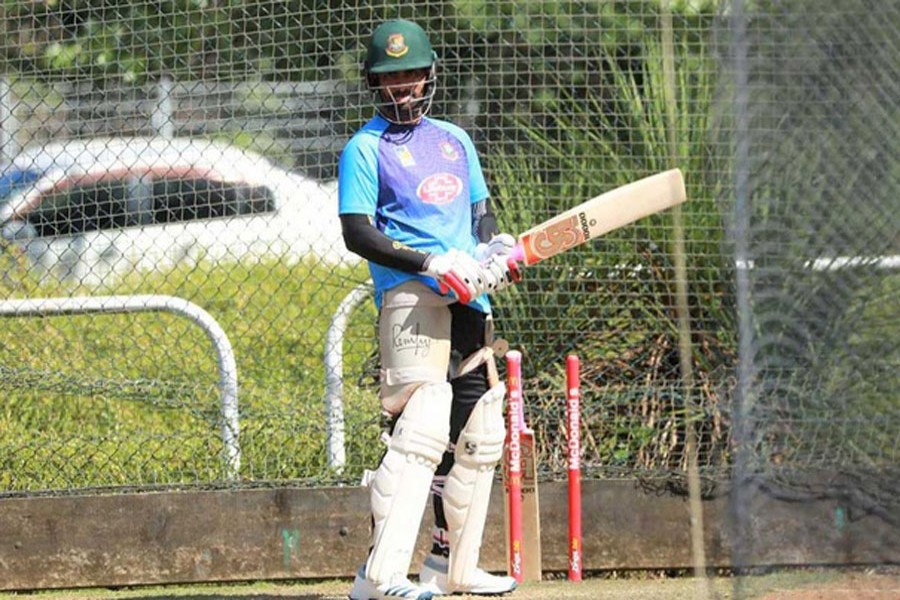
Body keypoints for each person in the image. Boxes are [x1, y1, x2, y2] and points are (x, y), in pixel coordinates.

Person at [338, 18, 520, 600]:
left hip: (470, 295)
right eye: (391, 78)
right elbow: (357, 233)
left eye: (412, 75)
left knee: (479, 432)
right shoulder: (364, 149)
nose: (403, 88)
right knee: (421, 428)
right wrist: (429, 263)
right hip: (412, 295)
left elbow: (481, 213)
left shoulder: (454, 140)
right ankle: (380, 577)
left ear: (429, 76)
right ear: (375, 83)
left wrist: (493, 247)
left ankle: (453, 568)